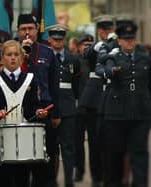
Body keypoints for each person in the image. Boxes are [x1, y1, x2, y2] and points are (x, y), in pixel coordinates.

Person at [0, 40, 48, 187]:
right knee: (1, 178)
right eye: (9, 54)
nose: (12, 58)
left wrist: (38, 112)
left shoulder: (30, 79)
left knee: (22, 178)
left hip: (23, 138)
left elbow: (32, 106)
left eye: (16, 54)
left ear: (22, 57)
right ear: (3, 57)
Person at [101, 21, 150, 187]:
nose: (130, 42)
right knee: (114, 155)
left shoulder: (145, 58)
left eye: (132, 38)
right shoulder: (112, 58)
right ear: (119, 41)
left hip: (140, 115)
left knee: (140, 155)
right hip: (117, 116)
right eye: (126, 39)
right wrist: (111, 70)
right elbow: (105, 70)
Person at [16, 13, 59, 187]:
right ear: (18, 31)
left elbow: (54, 85)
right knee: (21, 161)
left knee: (45, 158)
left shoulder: (47, 52)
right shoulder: (11, 51)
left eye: (30, 29)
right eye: (23, 29)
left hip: (44, 110)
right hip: (18, 111)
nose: (27, 33)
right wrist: (22, 56)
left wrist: (56, 113)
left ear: (36, 30)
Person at [78, 15, 115, 186]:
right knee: (94, 141)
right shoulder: (94, 47)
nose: (106, 32)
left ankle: (111, 176)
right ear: (99, 31)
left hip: (112, 98)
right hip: (94, 99)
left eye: (109, 29)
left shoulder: (118, 45)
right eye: (103, 29)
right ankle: (96, 176)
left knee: (112, 141)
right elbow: (87, 54)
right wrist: (103, 44)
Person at [46, 24, 81, 187]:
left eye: (60, 39)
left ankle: (69, 181)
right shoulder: (45, 57)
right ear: (50, 39)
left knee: (69, 148)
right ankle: (51, 180)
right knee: (51, 148)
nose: (58, 42)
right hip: (50, 107)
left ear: (64, 40)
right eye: (54, 39)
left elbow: (76, 82)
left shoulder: (73, 58)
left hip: (67, 108)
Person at [74, 34, 94, 184]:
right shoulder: (75, 61)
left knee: (95, 144)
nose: (87, 47)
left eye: (90, 44)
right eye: (84, 44)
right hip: (78, 108)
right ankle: (79, 171)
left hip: (94, 108)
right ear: (78, 46)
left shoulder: (98, 61)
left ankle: (96, 174)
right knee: (77, 143)